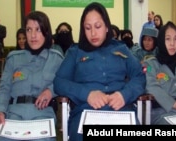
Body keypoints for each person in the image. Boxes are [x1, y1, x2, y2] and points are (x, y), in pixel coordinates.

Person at [53, 2, 145, 141]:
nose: (93, 33)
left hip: (120, 109)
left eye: (98, 26)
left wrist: (124, 95)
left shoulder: (121, 49)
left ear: (107, 27)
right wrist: (87, 94)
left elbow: (139, 76)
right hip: (86, 110)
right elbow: (59, 83)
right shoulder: (75, 52)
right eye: (88, 28)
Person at [0, 11, 64, 141]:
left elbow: (65, 82)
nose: (33, 35)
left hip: (42, 114)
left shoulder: (56, 58)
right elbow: (5, 89)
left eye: (38, 29)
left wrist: (51, 91)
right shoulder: (14, 58)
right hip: (13, 113)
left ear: (46, 32)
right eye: (29, 30)